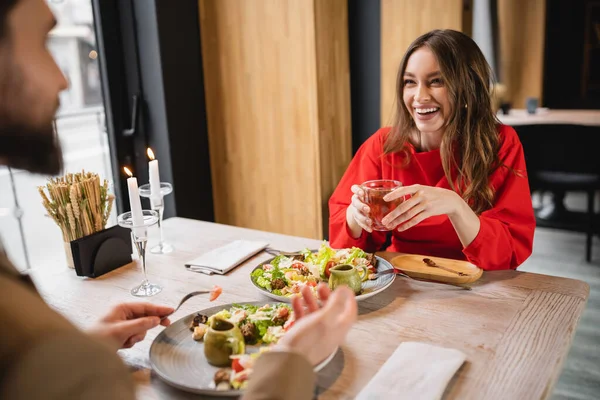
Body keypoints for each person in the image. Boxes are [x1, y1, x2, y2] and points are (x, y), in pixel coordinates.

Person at [0, 0, 357, 399]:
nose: (63, 80)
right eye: (44, 41)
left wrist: (87, 346)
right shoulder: (36, 350)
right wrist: (292, 358)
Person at [329, 29, 535, 271]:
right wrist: (356, 217)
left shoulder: (500, 143)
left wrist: (456, 207)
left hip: (476, 281)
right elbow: (343, 250)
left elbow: (509, 251)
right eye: (410, 82)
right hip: (402, 278)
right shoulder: (382, 144)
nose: (419, 96)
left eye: (436, 81)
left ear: (468, 88)